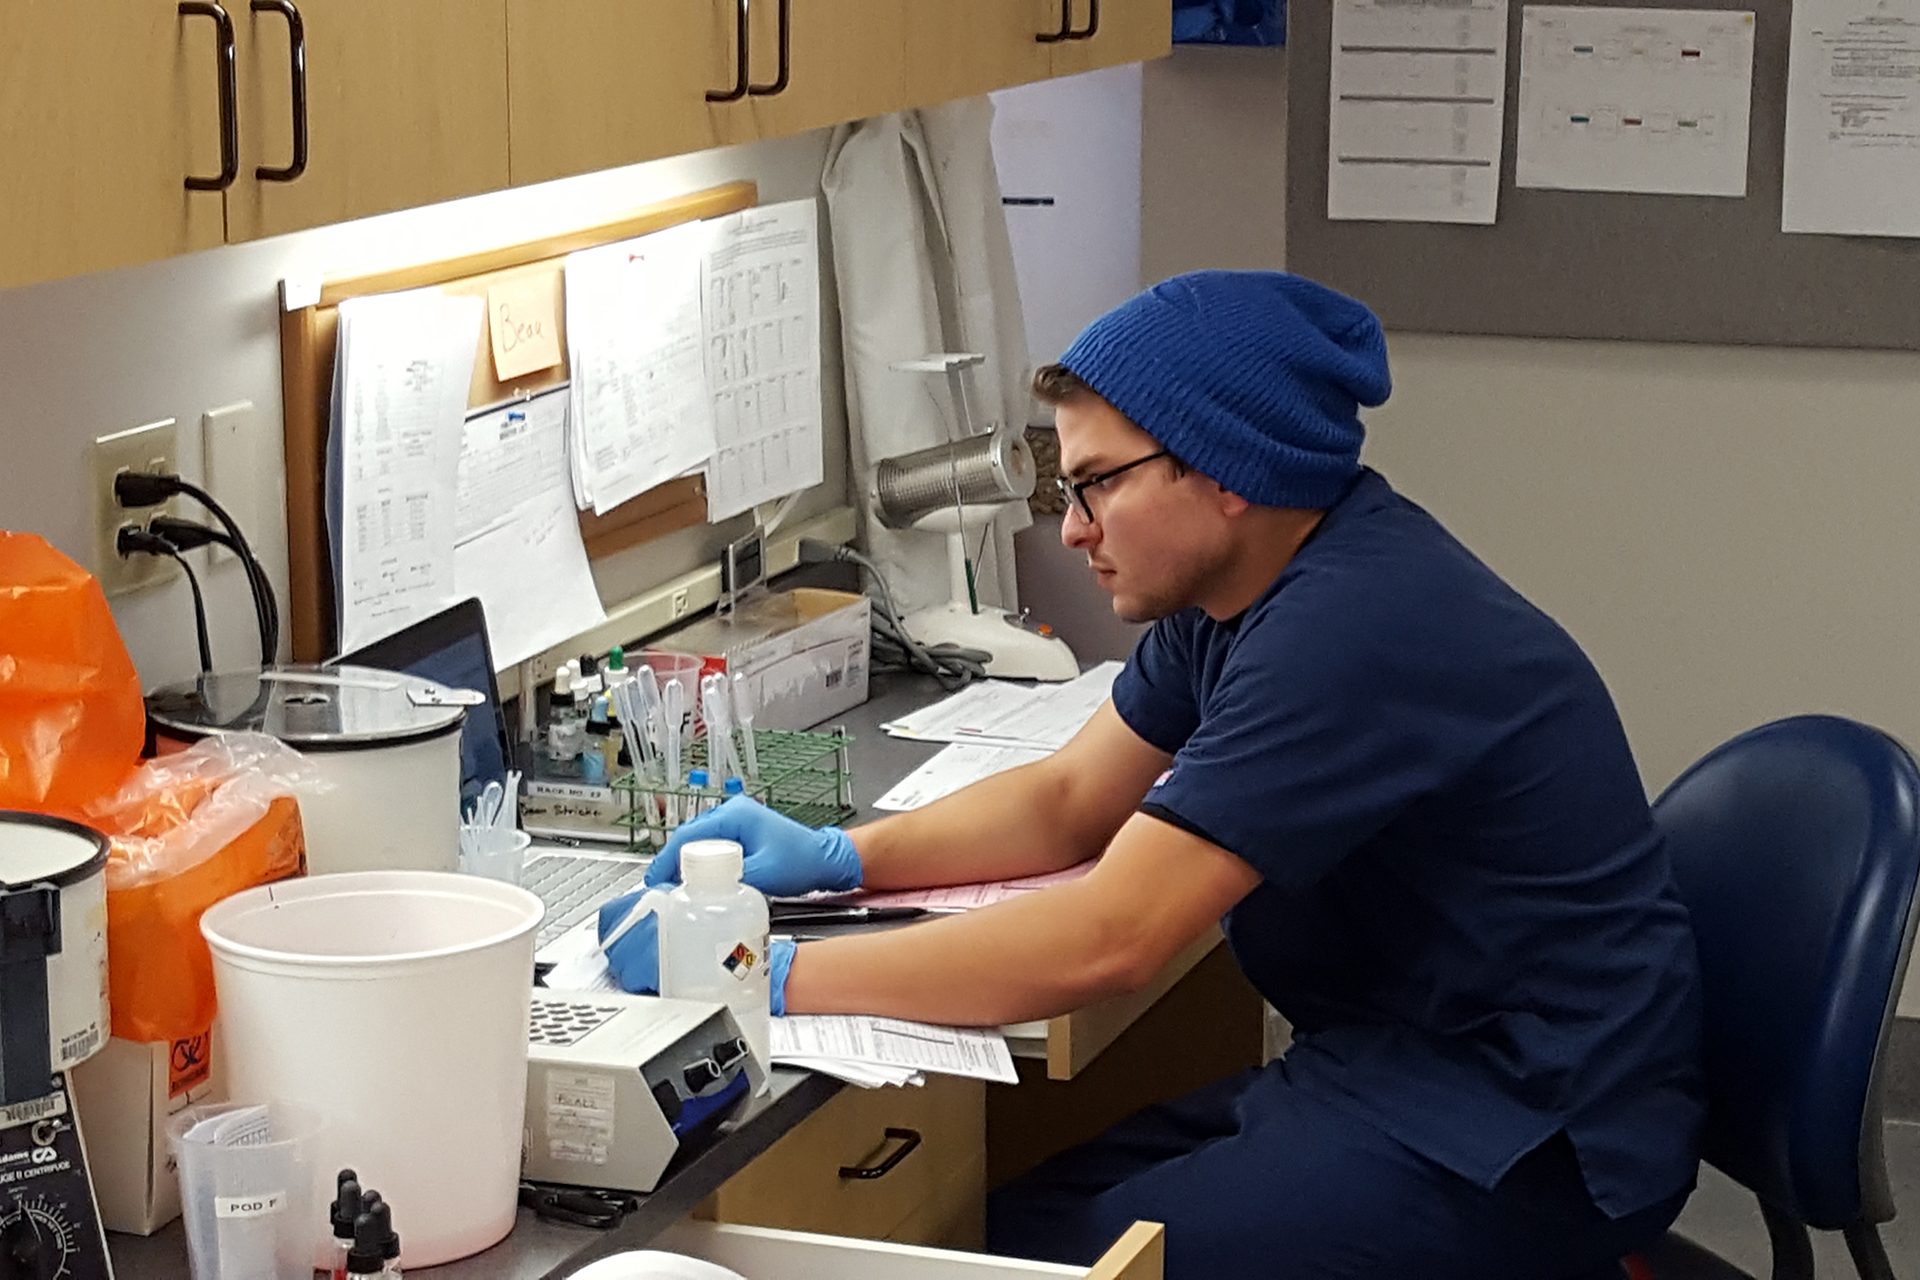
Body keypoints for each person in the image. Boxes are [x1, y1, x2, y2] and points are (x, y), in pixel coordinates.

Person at [600, 271, 1705, 1279]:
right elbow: (1070, 800)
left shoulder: (1353, 626)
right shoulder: (1241, 589)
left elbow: (1108, 936)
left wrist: (760, 971)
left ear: (1226, 468)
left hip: (1528, 1127)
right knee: (1002, 1230)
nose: (1072, 529)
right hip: (1395, 1068)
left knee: (1057, 1267)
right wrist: (840, 859)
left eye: (1096, 485)